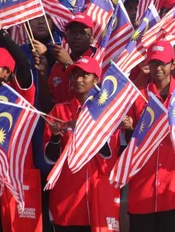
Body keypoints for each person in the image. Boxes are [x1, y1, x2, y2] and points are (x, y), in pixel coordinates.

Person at [126, 40, 175, 232]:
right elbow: (129, 138)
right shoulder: (137, 97)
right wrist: (129, 127)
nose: (157, 68)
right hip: (142, 190)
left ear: (173, 64)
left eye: (162, 63)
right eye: (153, 63)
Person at [44, 56, 120, 232]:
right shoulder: (59, 111)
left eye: (85, 75)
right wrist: (55, 136)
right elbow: (49, 159)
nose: (78, 79)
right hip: (67, 198)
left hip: (99, 196)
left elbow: (108, 152)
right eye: (75, 75)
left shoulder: (108, 112)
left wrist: (83, 125)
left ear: (96, 79)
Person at [0, 15, 41, 231]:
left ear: (7, 73)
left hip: (15, 175)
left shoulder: (20, 94)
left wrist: (1, 33)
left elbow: (23, 62)